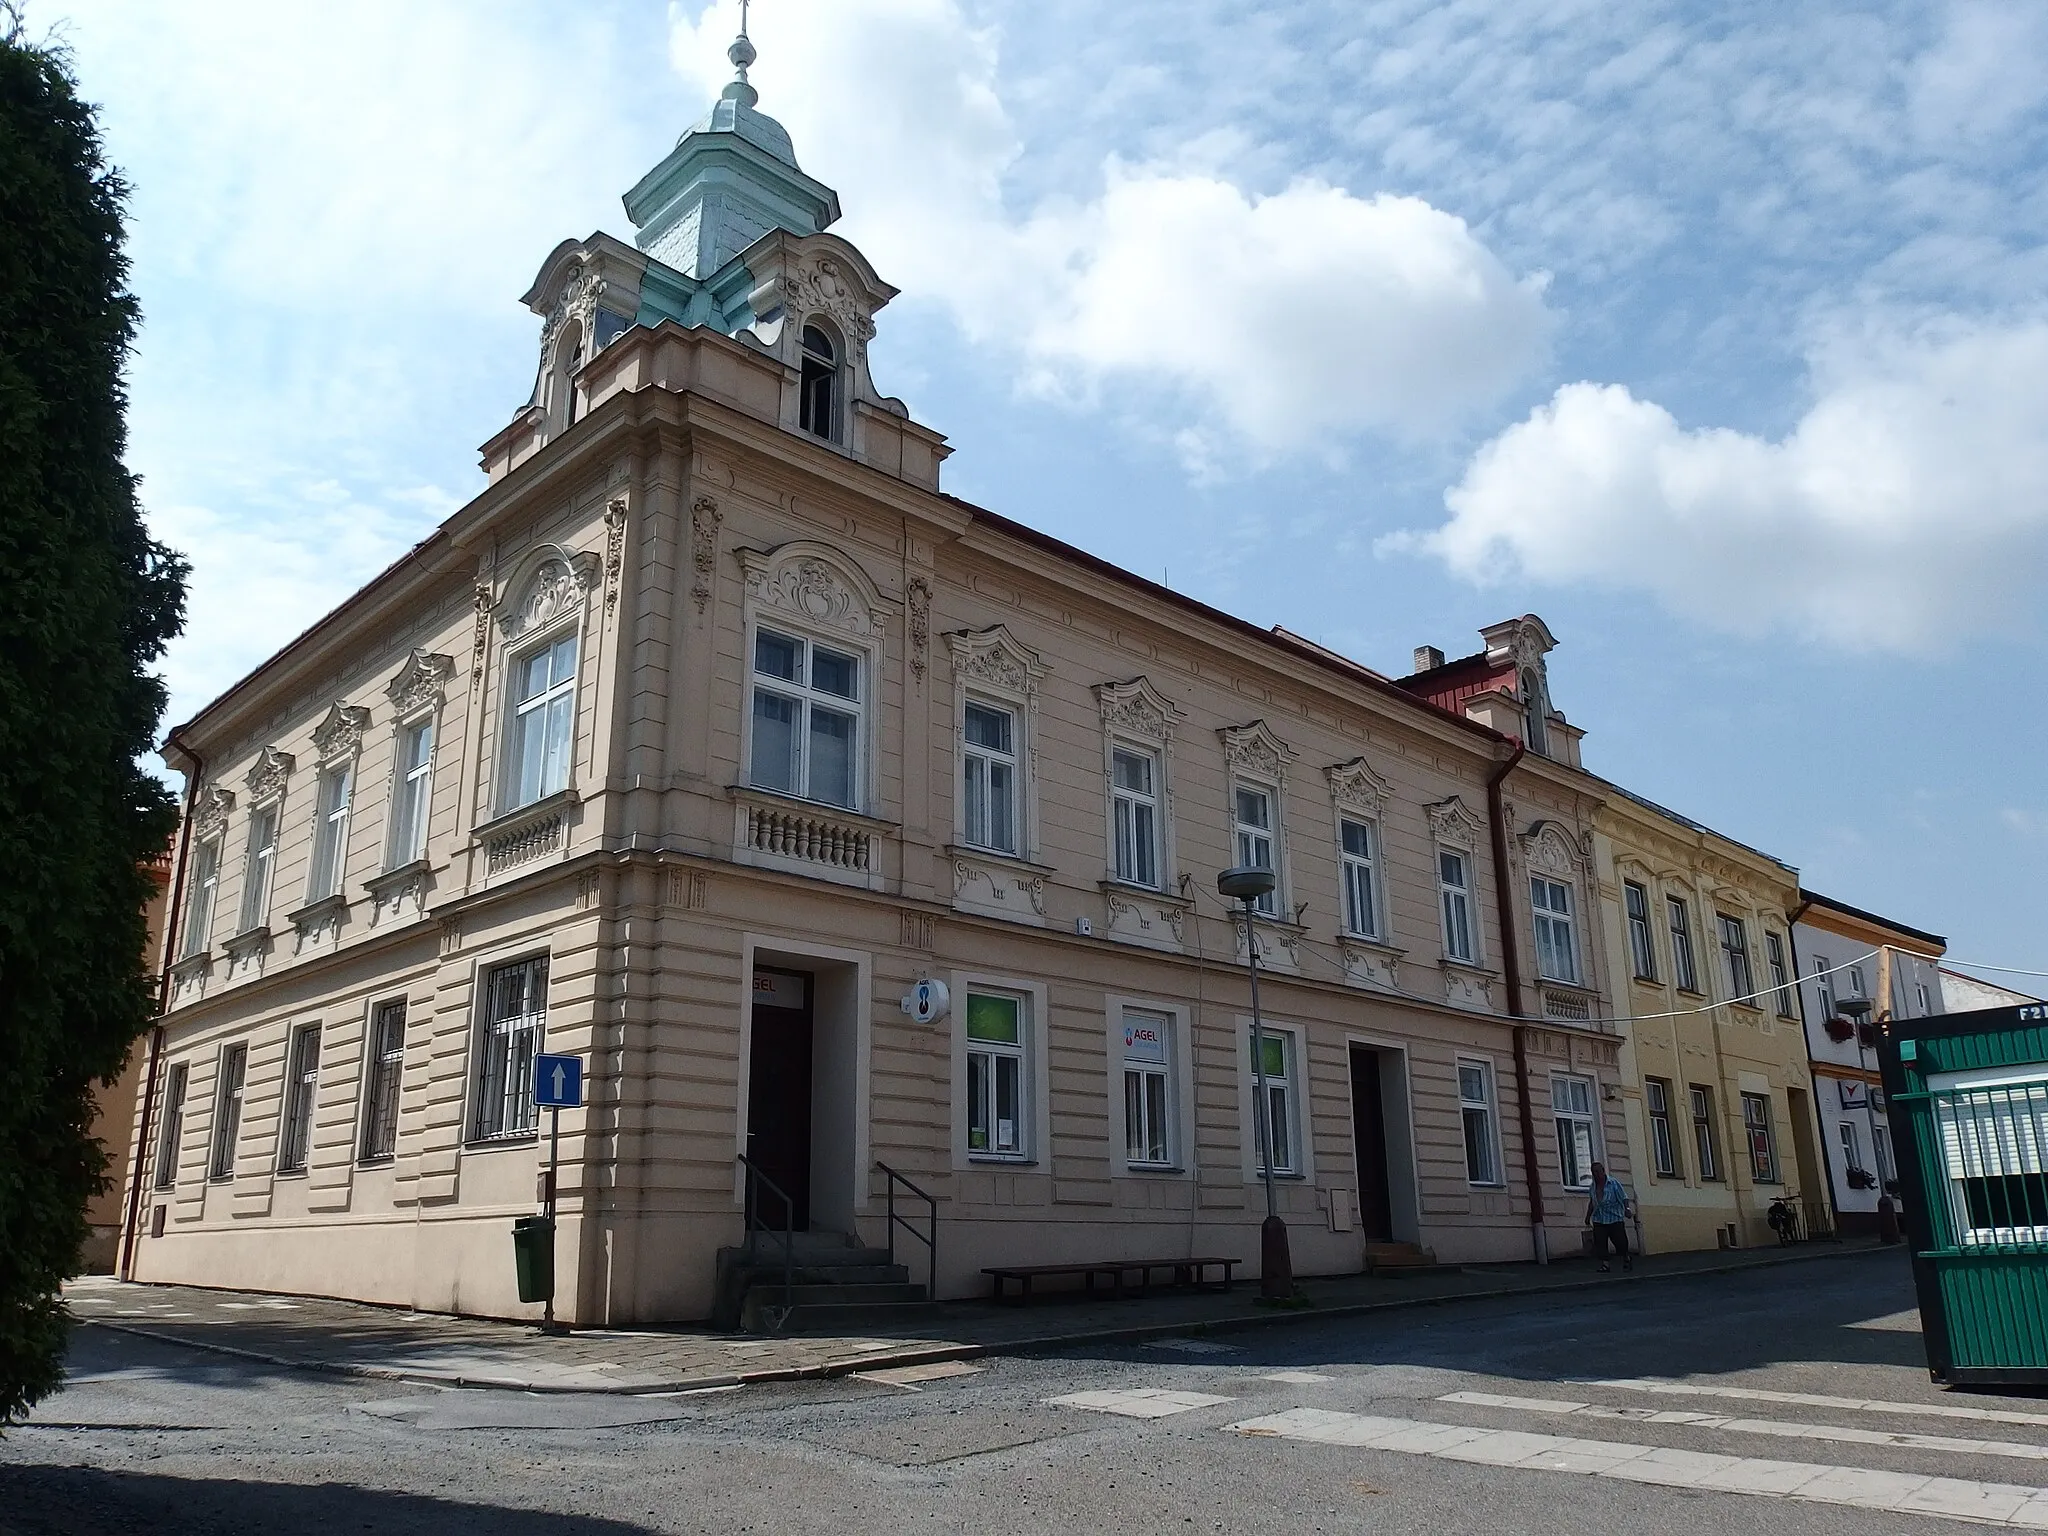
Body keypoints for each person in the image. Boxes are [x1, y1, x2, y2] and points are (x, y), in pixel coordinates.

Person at [1584, 1161, 1633, 1272]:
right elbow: (1592, 1202)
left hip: (1614, 1218)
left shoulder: (1613, 1183)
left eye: (1598, 1172)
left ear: (1603, 1171)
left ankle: (1626, 1257)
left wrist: (1627, 1209)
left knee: (1620, 1242)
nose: (1596, 1175)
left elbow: (1624, 1197)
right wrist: (1588, 1216)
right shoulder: (1593, 1187)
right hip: (1599, 1219)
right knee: (1600, 1242)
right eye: (1594, 1172)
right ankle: (1605, 1264)